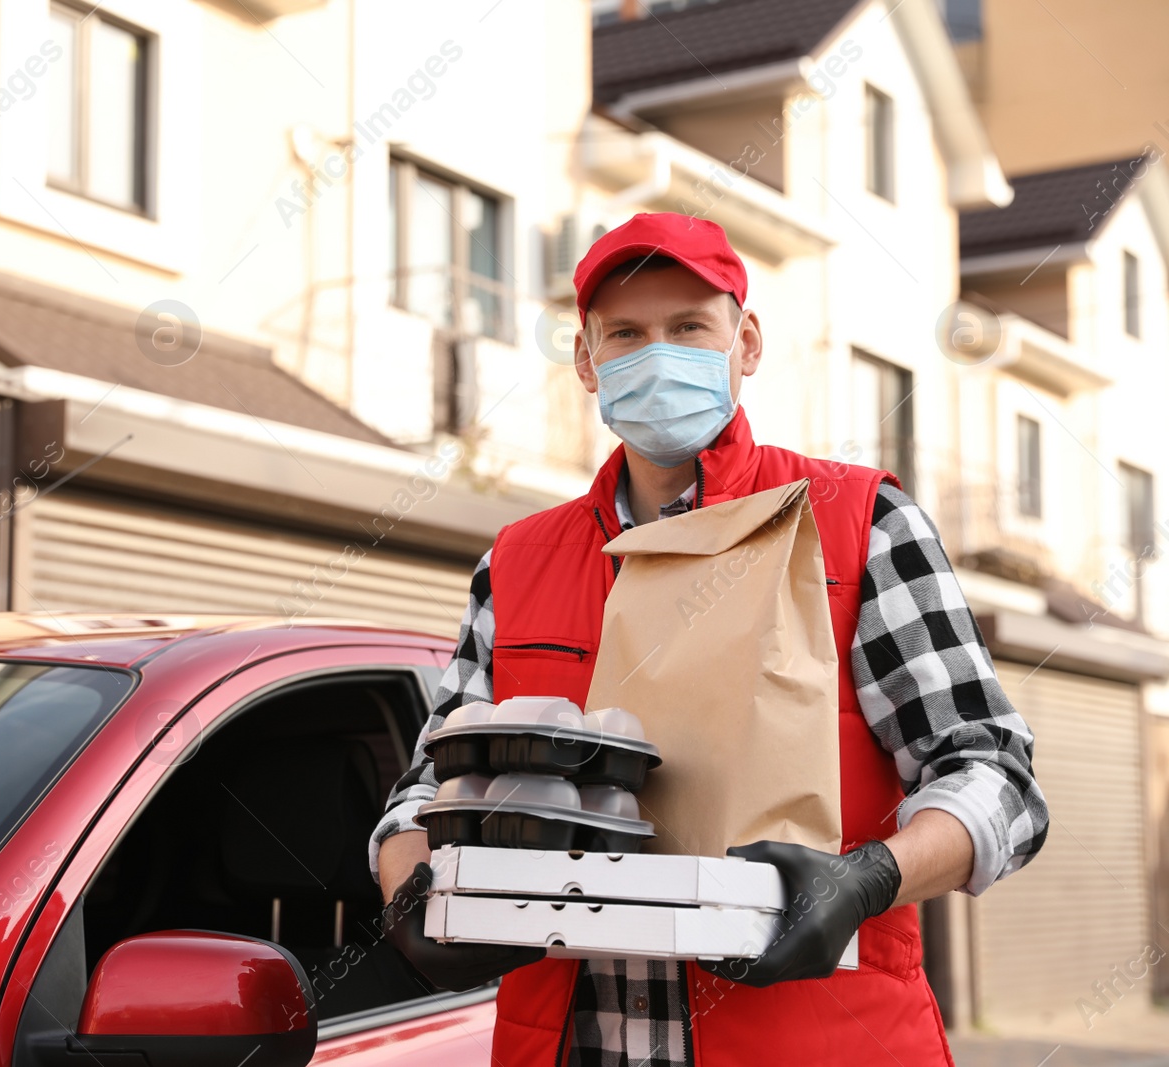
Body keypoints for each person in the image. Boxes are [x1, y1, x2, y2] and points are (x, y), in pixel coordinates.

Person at [371, 212, 1048, 1067]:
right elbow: (427, 787)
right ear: (587, 361)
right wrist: (410, 892)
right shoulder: (517, 562)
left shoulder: (857, 523)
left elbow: (997, 778)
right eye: (626, 332)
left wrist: (867, 878)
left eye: (689, 327)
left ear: (747, 342)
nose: (657, 354)